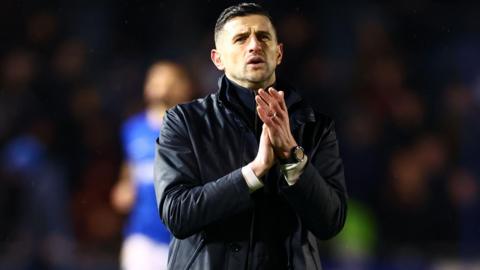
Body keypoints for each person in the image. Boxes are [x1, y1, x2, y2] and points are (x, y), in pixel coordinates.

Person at [154, 3, 347, 270]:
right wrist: (253, 173)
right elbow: (177, 214)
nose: (254, 45)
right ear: (217, 59)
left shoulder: (316, 127)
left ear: (278, 53)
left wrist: (293, 157)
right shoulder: (185, 122)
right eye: (241, 38)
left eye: (263, 37)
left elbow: (331, 222)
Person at [111, 61, 194, 270]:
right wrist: (124, 188)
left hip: (184, 238)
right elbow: (130, 173)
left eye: (169, 80)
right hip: (143, 236)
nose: (162, 85)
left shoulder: (194, 130)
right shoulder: (133, 128)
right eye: (156, 79)